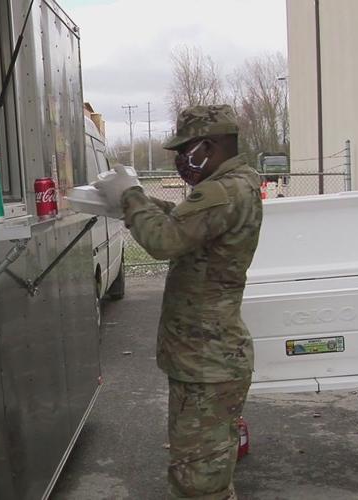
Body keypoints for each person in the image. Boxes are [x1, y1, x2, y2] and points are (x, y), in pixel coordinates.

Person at [95, 104, 263, 498]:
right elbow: (185, 221)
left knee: (199, 482)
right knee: (204, 473)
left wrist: (133, 196)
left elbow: (164, 241)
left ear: (211, 144)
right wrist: (142, 208)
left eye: (185, 149)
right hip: (204, 359)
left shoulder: (223, 190)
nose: (180, 160)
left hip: (207, 361)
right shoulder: (236, 184)